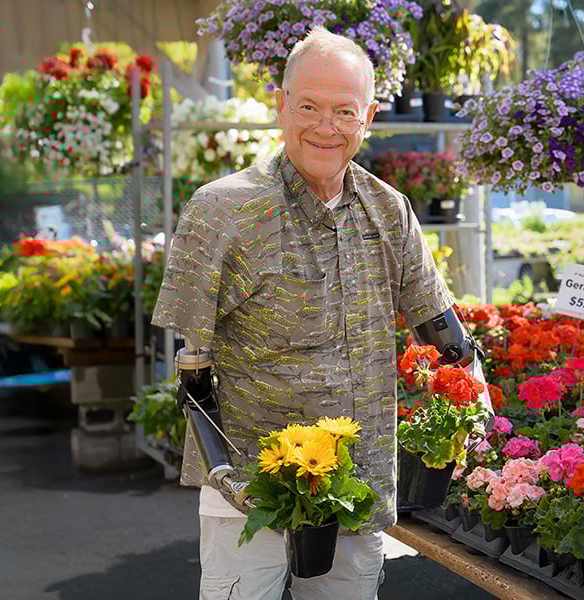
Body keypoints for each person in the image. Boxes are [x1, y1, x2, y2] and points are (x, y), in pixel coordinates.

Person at [152, 25, 476, 600]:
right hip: (251, 491)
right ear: (281, 106)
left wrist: (471, 408)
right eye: (308, 107)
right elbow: (190, 374)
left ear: (369, 116)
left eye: (344, 112)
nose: (326, 127)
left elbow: (445, 334)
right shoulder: (222, 211)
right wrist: (232, 480)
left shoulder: (389, 210)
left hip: (354, 487)